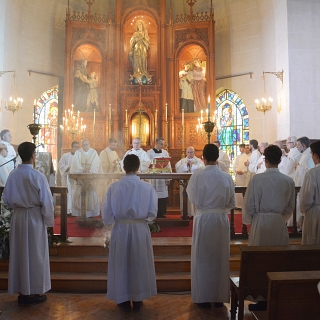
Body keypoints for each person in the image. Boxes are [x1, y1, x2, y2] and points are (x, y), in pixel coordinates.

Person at [242, 144, 295, 311]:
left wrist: (253, 220)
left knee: (260, 261)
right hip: (278, 224)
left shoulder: (257, 179)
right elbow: (290, 207)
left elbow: (249, 204)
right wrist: (279, 218)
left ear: (265, 161)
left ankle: (262, 297)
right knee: (278, 260)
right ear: (280, 160)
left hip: (261, 223)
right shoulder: (288, 181)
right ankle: (277, 296)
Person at [101, 154, 158, 310]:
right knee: (138, 262)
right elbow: (153, 213)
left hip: (120, 229)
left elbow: (106, 214)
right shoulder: (147, 187)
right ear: (138, 167)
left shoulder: (114, 187)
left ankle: (122, 297)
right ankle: (138, 297)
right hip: (139, 229)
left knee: (122, 263)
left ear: (123, 167)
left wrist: (112, 221)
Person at [3, 142, 54, 306]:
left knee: (20, 254)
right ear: (33, 155)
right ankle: (33, 292)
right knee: (35, 255)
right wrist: (48, 221)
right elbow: (47, 202)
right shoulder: (38, 176)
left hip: (18, 218)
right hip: (34, 218)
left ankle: (22, 291)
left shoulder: (13, 175)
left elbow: (6, 200)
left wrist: (19, 205)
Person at [187, 144, 235, 309]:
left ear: (203, 158)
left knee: (203, 257)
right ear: (217, 158)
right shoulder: (226, 177)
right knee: (220, 257)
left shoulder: (197, 176)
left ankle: (203, 297)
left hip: (203, 218)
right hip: (220, 219)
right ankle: (219, 296)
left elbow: (192, 198)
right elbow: (231, 203)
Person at [70, 138, 102, 217]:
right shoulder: (78, 152)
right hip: (81, 179)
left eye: (86, 144)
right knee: (80, 194)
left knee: (92, 194)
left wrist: (90, 170)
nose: (85, 146)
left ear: (89, 144)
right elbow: (75, 164)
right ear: (81, 145)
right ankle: (81, 214)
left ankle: (91, 214)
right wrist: (82, 170)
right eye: (83, 145)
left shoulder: (93, 152)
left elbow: (96, 163)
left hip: (91, 179)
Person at [289, 136, 315, 228]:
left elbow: (310, 170)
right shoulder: (305, 153)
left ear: (304, 145)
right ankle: (297, 224)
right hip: (300, 183)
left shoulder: (308, 155)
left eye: (298, 145)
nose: (297, 147)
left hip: (304, 184)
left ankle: (299, 225)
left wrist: (299, 167)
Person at [300, 141, 320, 245]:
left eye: (311, 154)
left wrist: (303, 211)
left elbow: (306, 199)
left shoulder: (312, 174)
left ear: (315, 155)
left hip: (315, 214)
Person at [175, 146, 204, 217]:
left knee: (194, 196)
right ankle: (185, 213)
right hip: (184, 183)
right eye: (188, 152)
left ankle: (194, 213)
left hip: (195, 182)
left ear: (194, 152)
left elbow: (202, 168)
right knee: (184, 195)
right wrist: (186, 165)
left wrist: (193, 166)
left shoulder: (198, 161)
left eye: (191, 152)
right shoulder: (182, 161)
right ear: (186, 153)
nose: (190, 154)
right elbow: (177, 167)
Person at [147, 138, 171, 218]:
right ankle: (153, 213)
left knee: (162, 196)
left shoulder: (165, 152)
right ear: (156, 143)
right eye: (161, 144)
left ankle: (161, 213)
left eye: (163, 144)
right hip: (153, 178)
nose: (163, 146)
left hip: (162, 177)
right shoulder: (149, 153)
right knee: (153, 195)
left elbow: (168, 165)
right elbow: (146, 164)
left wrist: (168, 178)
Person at [58, 141, 79, 214]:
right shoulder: (65, 156)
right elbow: (60, 165)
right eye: (75, 147)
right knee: (68, 193)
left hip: (77, 179)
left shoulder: (80, 156)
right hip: (67, 178)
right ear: (72, 147)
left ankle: (75, 211)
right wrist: (68, 167)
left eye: (77, 147)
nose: (76, 148)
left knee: (75, 193)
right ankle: (68, 210)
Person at [233, 144, 250, 209]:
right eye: (245, 148)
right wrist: (237, 170)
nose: (246, 149)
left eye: (248, 148)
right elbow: (235, 165)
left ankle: (245, 206)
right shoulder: (239, 157)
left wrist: (243, 171)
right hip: (239, 177)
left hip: (246, 176)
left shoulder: (251, 156)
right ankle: (238, 205)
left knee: (246, 191)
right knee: (238, 192)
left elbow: (251, 167)